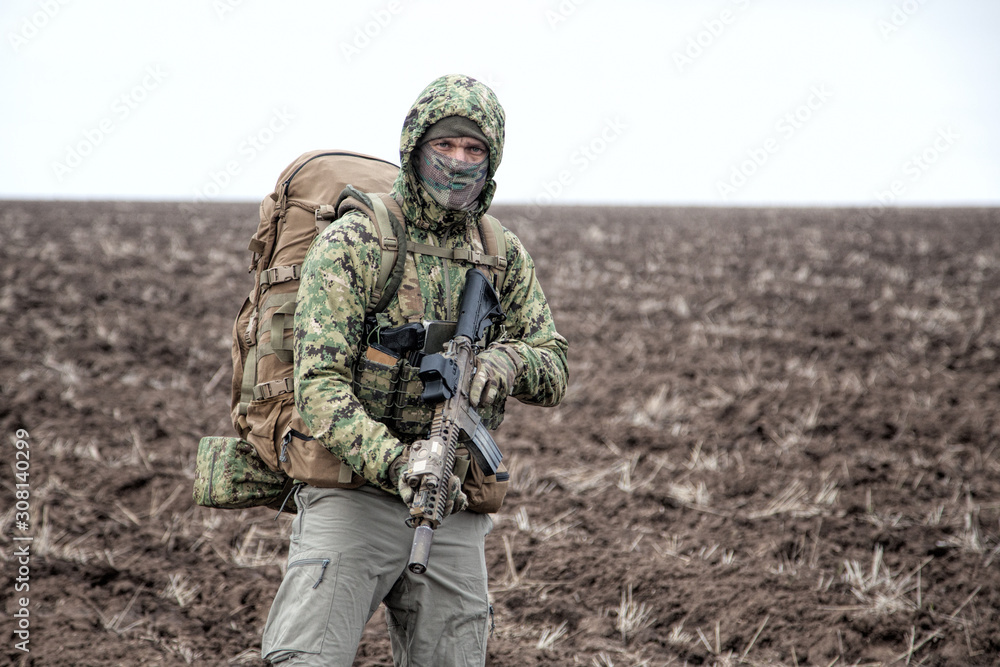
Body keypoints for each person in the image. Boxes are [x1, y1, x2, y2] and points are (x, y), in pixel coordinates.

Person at [260, 74, 569, 666]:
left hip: (451, 505)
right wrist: (400, 464)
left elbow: (554, 366)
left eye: (474, 150)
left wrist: (505, 360)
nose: (458, 162)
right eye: (445, 146)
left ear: (492, 159)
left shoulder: (501, 254)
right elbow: (319, 388)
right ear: (415, 148)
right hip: (351, 494)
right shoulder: (356, 242)